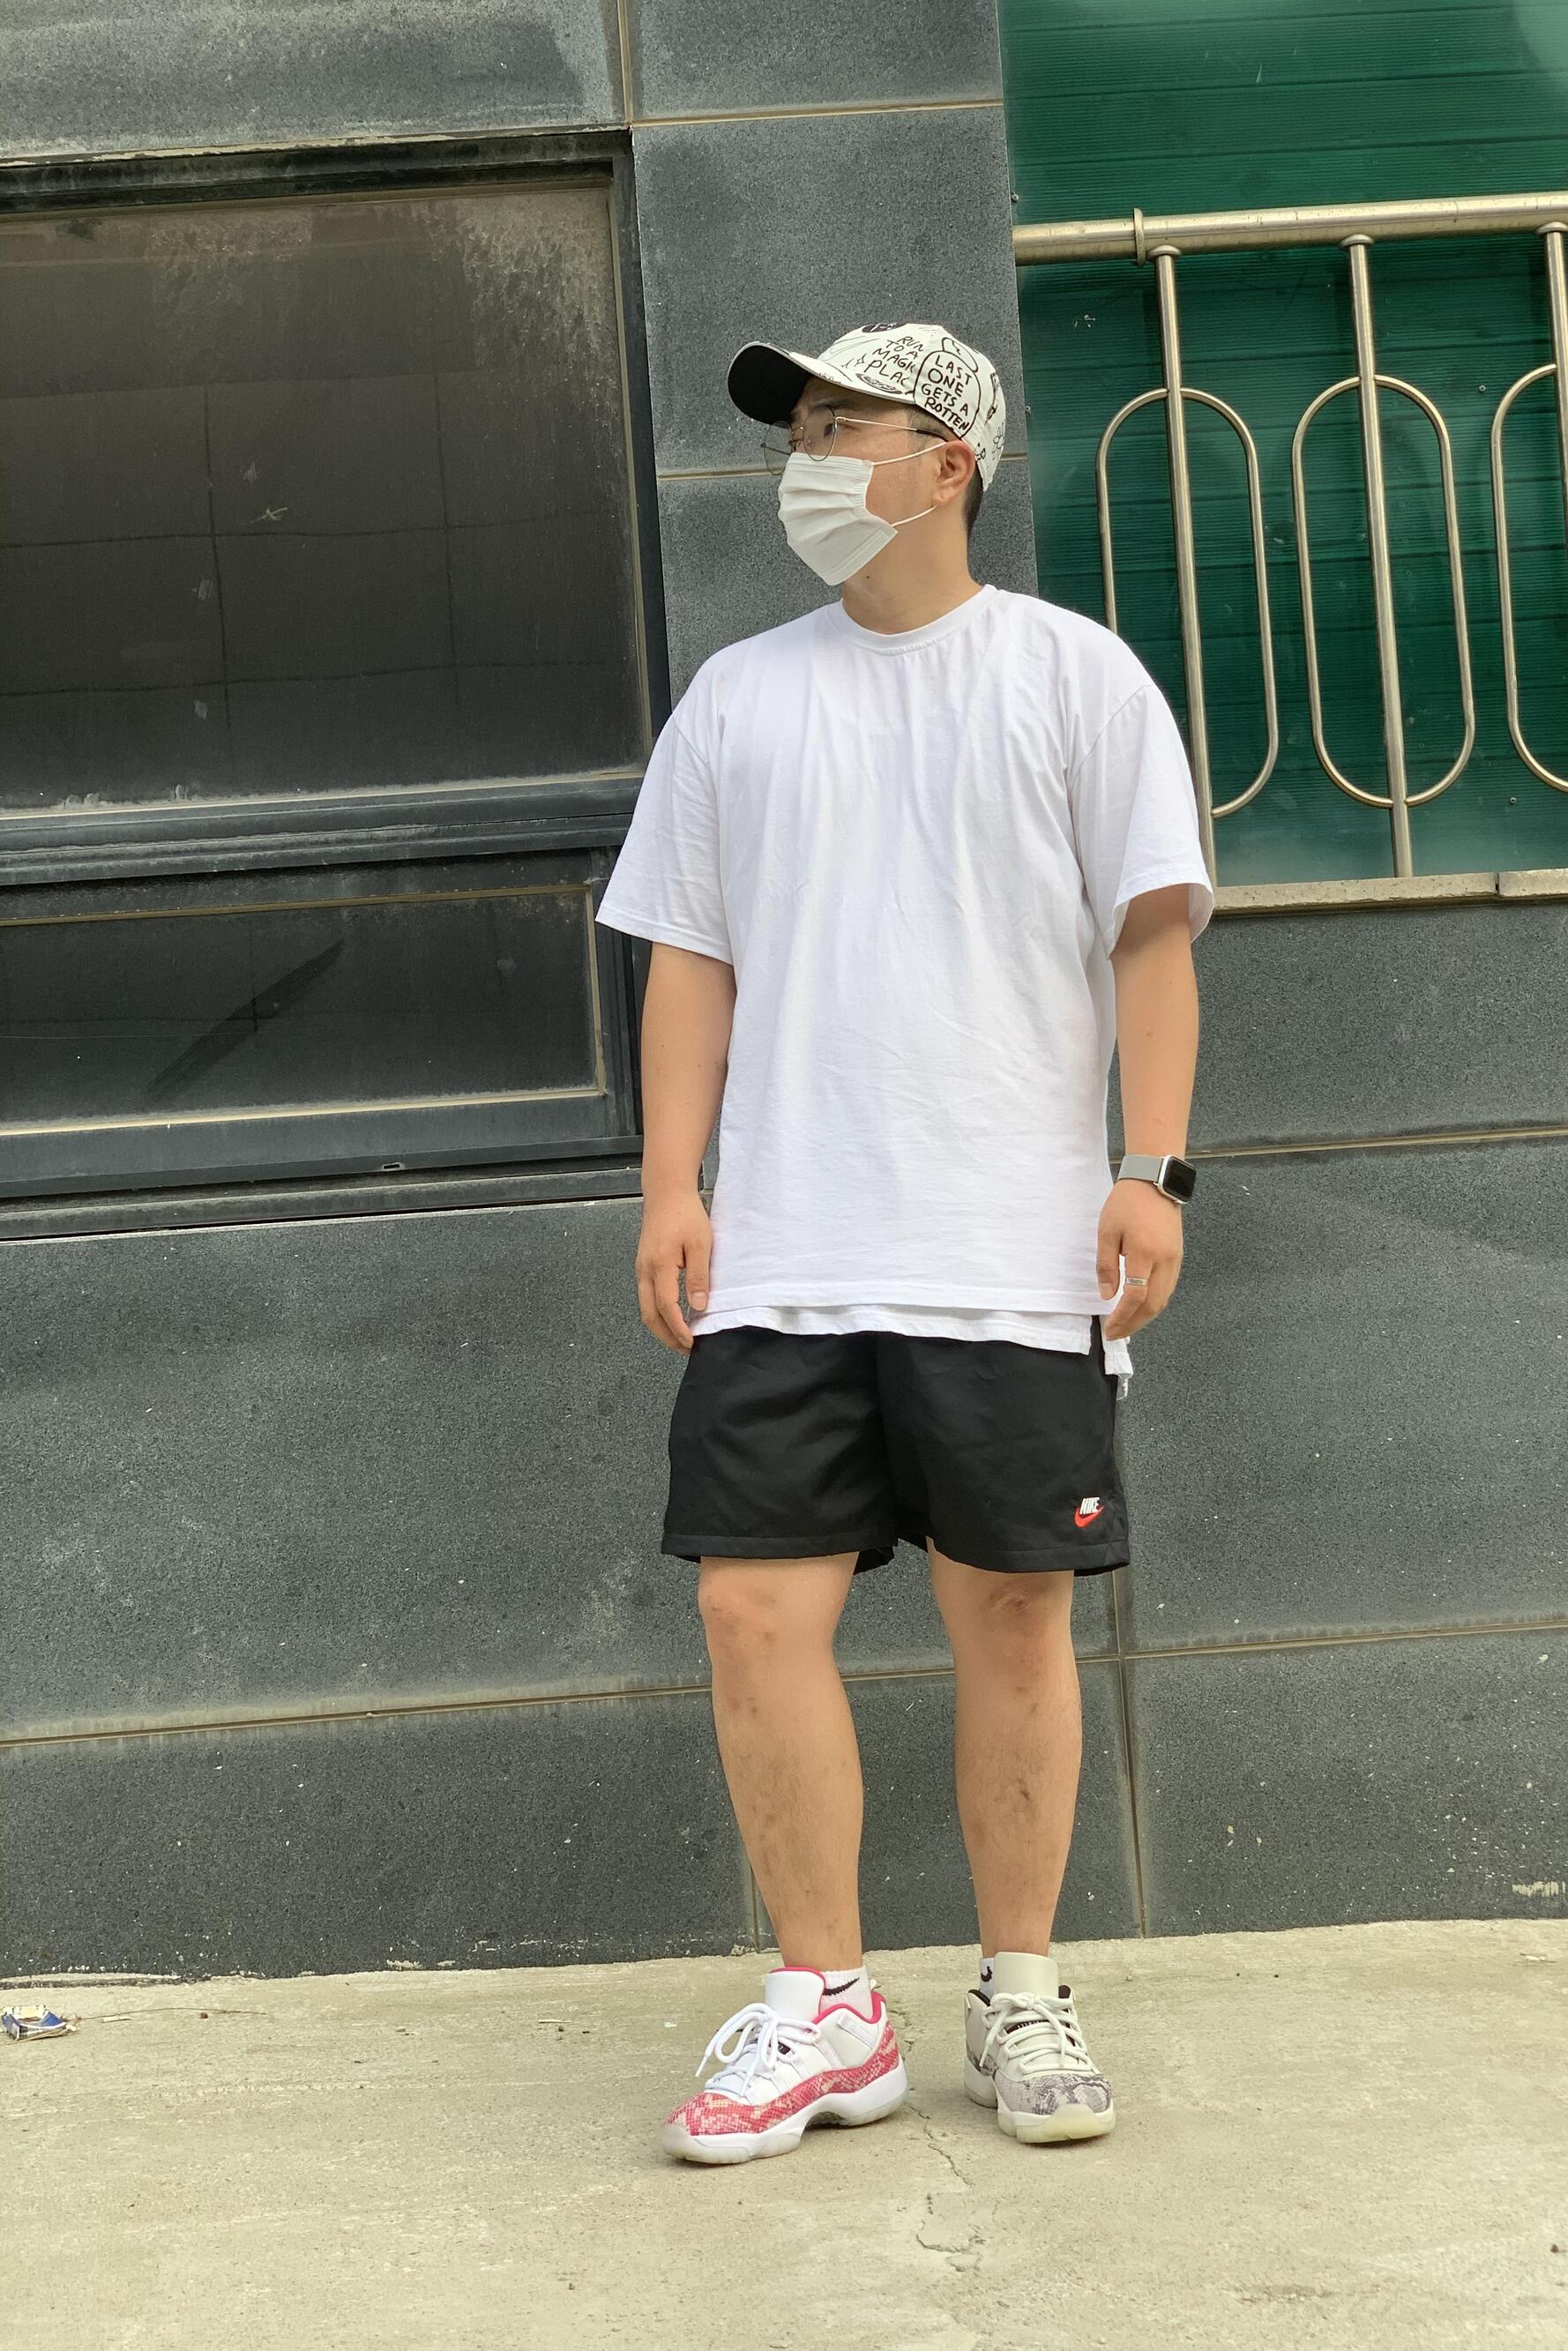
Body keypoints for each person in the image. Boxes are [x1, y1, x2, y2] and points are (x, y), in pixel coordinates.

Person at [594, 321, 1211, 2166]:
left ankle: (1019, 1983)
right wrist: (673, 1182)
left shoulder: (1074, 678)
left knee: (1010, 1611)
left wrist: (1153, 1167)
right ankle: (827, 2004)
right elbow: (688, 958)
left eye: (840, 424)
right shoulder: (737, 699)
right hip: (787, 1249)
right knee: (747, 1610)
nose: (804, 454)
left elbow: (1152, 938)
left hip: (1010, 1248)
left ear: (950, 464)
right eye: (797, 426)